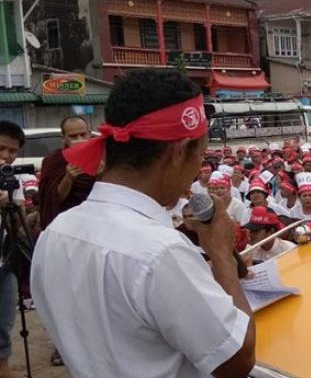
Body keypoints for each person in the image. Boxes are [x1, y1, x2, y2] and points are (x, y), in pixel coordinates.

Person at [31, 70, 256, 377]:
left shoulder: (54, 234)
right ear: (178, 152)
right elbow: (236, 360)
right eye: (200, 156)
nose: (196, 172)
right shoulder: (161, 252)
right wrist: (221, 256)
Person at [38, 115, 96, 230]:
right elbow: (54, 199)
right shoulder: (54, 160)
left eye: (83, 134)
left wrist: (100, 175)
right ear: (63, 138)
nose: (79, 139)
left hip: (95, 218)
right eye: (73, 136)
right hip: (68, 221)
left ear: (89, 134)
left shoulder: (100, 156)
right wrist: (68, 178)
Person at [0, 121, 26, 378]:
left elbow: (18, 224)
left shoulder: (12, 177)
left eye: (12, 151)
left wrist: (7, 206)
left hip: (4, 260)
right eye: (1, 148)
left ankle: (3, 369)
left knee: (4, 320)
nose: (6, 156)